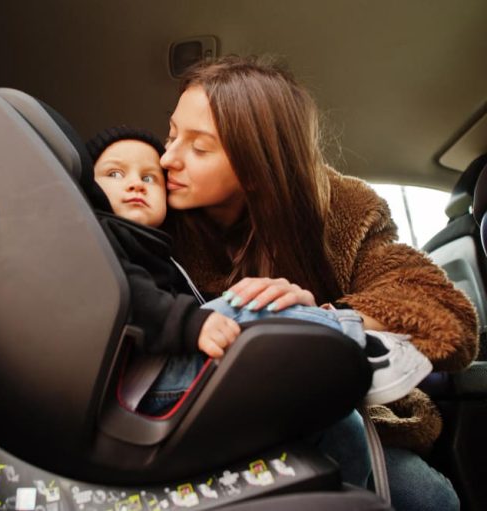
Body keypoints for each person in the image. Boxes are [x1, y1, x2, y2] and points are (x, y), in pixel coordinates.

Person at [152, 54, 477, 511]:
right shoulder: (150, 205)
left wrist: (320, 318)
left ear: (256, 166)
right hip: (203, 420)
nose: (168, 158)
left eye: (199, 149)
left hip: (328, 415)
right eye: (171, 136)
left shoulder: (345, 209)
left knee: (426, 497)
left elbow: (445, 316)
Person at [85, 125, 432, 407]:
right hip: (139, 382)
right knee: (249, 308)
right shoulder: (97, 237)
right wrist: (195, 321)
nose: (138, 181)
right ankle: (351, 347)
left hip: (168, 370)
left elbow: (430, 301)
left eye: (150, 178)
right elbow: (126, 293)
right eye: (114, 174)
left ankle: (342, 352)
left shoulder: (160, 246)